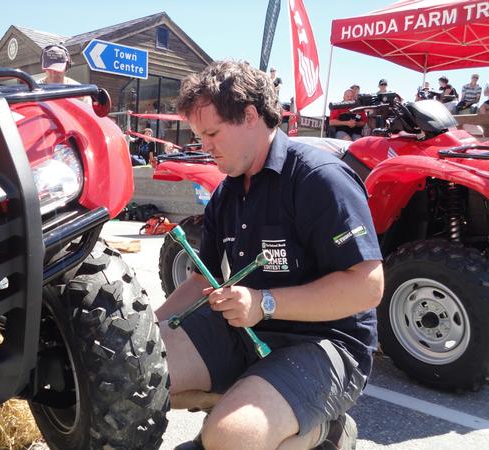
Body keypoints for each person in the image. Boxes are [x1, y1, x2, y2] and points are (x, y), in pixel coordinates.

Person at [158, 60, 384, 450]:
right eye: (199, 135)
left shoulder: (319, 178)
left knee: (231, 439)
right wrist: (145, 331)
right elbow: (200, 280)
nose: (204, 146)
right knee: (135, 371)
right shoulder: (227, 193)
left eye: (211, 133)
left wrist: (264, 302)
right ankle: (248, 410)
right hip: (249, 332)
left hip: (327, 344)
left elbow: (368, 287)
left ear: (250, 116)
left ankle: (323, 431)